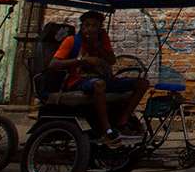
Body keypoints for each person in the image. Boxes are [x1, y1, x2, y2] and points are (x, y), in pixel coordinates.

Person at [49, 11, 149, 146]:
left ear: (99, 28)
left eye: (94, 26)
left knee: (142, 83)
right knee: (99, 84)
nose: (90, 29)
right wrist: (81, 60)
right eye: (87, 25)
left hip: (103, 78)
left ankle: (123, 120)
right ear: (82, 27)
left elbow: (112, 60)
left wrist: (99, 48)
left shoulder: (102, 40)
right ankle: (107, 129)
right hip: (78, 81)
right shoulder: (72, 41)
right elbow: (54, 64)